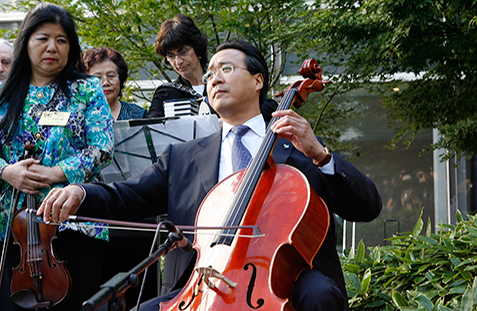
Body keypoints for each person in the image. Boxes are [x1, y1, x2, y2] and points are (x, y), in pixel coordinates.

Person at [39, 40, 382, 311]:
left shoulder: (298, 148)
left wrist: (321, 155)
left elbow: (366, 208)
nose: (214, 77)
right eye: (211, 73)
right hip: (201, 282)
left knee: (320, 295)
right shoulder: (184, 156)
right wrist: (81, 193)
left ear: (258, 80)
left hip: (287, 277)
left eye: (227, 68)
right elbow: (129, 197)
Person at [0, 3, 114, 310]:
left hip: (73, 220)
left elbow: (102, 146)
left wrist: (58, 173)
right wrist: (6, 172)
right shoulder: (4, 95)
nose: (53, 47)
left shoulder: (86, 88)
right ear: (26, 43)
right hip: (11, 228)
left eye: (62, 40)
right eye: (43, 38)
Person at [147, 14, 278, 122]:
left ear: (196, 49)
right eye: (171, 56)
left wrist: (229, 120)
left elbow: (264, 105)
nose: (178, 61)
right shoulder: (166, 94)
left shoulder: (222, 81)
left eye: (183, 52)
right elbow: (152, 130)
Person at [78, 47, 147, 121]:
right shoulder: (76, 117)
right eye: (97, 78)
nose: (105, 83)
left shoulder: (138, 115)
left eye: (111, 76)